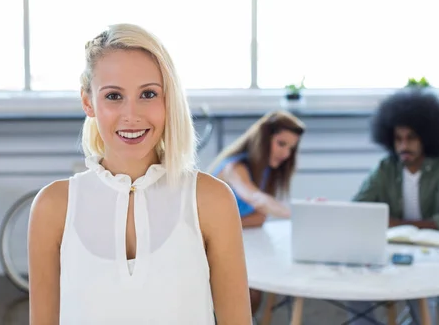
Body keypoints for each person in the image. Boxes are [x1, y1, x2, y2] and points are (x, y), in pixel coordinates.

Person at [28, 24, 252, 324]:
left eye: (148, 94)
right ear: (87, 102)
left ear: (167, 99)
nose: (131, 115)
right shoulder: (53, 208)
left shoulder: (210, 201)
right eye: (113, 96)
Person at [349, 88, 439, 324]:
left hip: (434, 251)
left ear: (427, 137)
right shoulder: (386, 167)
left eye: (411, 137)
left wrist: (399, 225)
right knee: (353, 285)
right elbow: (358, 209)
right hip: (391, 249)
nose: (403, 146)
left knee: (420, 290)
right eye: (398, 139)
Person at [208, 110, 305, 313]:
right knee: (248, 291)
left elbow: (260, 217)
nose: (286, 154)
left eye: (291, 148)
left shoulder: (265, 172)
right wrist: (301, 215)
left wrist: (228, 223)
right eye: (281, 144)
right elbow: (255, 199)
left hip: (229, 238)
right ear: (263, 139)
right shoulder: (235, 168)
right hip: (208, 244)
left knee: (255, 289)